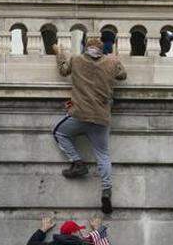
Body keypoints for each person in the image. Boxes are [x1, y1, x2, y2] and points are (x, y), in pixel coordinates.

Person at [52, 36, 127, 214]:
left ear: (86, 47)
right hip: (101, 118)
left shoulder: (77, 60)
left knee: (59, 133)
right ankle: (106, 190)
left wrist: (59, 53)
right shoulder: (111, 61)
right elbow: (122, 75)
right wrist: (114, 59)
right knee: (103, 155)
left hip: (80, 115)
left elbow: (63, 71)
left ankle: (78, 162)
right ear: (102, 50)